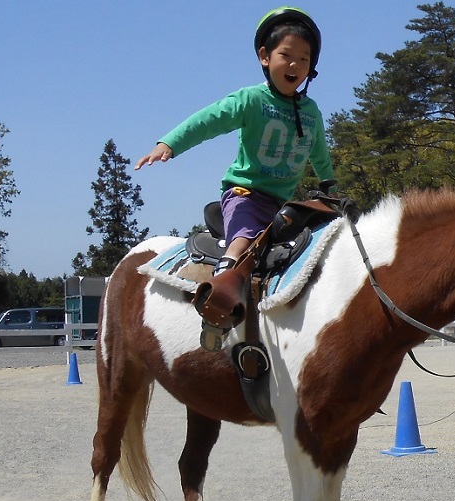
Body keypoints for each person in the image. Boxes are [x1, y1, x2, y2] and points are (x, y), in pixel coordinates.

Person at [134, 6, 335, 338]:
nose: (296, 64)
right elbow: (208, 120)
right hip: (247, 196)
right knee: (242, 241)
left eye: (304, 58)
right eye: (287, 54)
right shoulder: (250, 100)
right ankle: (217, 307)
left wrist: (329, 183)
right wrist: (170, 143)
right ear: (264, 56)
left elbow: (319, 151)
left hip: (285, 205)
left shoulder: (311, 112)